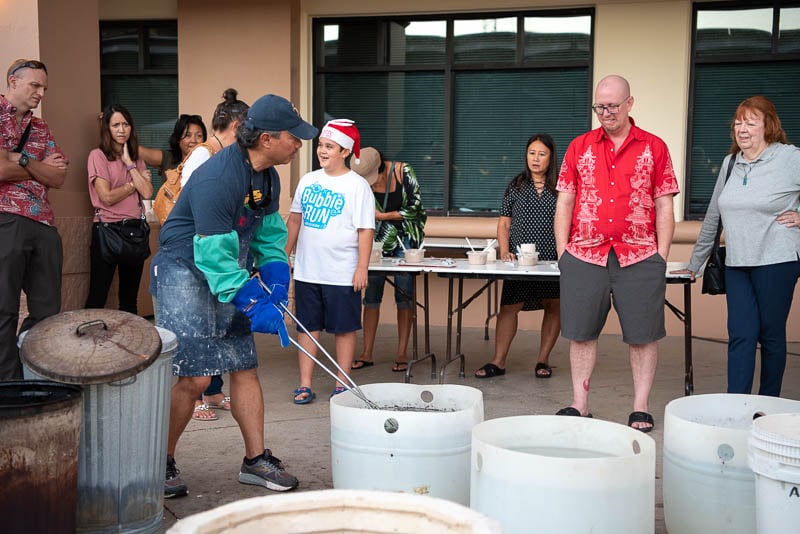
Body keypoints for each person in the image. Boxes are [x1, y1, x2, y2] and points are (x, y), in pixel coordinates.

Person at [150, 93, 317, 497]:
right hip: (184, 269)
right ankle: (158, 463)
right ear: (267, 139)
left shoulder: (268, 176)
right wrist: (250, 299)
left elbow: (270, 232)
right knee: (195, 376)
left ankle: (255, 461)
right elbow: (210, 253)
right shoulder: (217, 177)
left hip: (229, 267)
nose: (300, 144)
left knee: (244, 366)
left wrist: (277, 278)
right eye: (293, 137)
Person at [554, 75, 679, 432]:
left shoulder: (654, 147)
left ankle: (640, 407)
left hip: (640, 256)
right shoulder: (579, 146)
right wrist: (564, 253)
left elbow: (664, 206)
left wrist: (661, 256)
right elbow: (565, 201)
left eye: (611, 106)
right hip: (584, 255)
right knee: (581, 334)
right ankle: (580, 403)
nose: (605, 113)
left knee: (643, 336)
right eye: (599, 107)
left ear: (629, 103)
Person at [672, 96, 800, 397]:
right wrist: (696, 263)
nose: (742, 129)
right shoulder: (732, 163)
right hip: (738, 263)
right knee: (741, 334)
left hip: (777, 260)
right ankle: (737, 403)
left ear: (768, 126)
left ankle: (768, 403)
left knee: (770, 336)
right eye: (738, 122)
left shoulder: (789, 158)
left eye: (750, 122)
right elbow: (714, 218)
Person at [285, 119, 375, 404]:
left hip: (341, 272)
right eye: (321, 146)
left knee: (344, 328)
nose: (322, 151)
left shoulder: (358, 186)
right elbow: (295, 220)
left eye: (329, 146)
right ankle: (304, 383)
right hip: (308, 270)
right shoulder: (308, 180)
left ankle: (342, 381)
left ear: (345, 151)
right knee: (307, 327)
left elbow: (365, 230)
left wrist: (362, 267)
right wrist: (281, 256)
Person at [179, 89, 250, 422]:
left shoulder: (230, 157)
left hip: (219, 251)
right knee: (201, 328)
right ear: (236, 126)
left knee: (220, 324)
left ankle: (214, 390)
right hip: (197, 253)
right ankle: (194, 397)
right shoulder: (204, 156)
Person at [0, 59, 68, 380]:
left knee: (47, 312)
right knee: (4, 309)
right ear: (13, 82)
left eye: (44, 88)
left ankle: (26, 370)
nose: (40, 94)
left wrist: (20, 158)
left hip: (44, 224)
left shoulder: (40, 127)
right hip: (6, 219)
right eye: (34, 86)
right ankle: (9, 386)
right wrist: (37, 166)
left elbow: (57, 178)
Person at [475, 133, 561, 379]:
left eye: (542, 154)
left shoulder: (561, 188)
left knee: (553, 306)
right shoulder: (516, 185)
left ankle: (543, 360)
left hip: (551, 259)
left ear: (551, 157)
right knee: (509, 308)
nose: (536, 159)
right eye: (532, 153)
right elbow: (504, 224)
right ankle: (498, 361)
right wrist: (504, 251)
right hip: (520, 261)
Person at [350, 147, 426, 373]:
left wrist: (382, 216)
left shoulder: (403, 172)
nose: (370, 184)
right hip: (374, 243)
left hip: (405, 242)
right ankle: (367, 352)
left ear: (381, 168)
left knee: (404, 295)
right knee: (371, 296)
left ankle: (402, 352)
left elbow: (415, 208)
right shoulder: (359, 182)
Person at [85, 104, 154, 314]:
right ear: (107, 128)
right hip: (107, 231)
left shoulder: (136, 159)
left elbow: (149, 192)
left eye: (125, 124)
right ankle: (87, 345)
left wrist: (129, 164)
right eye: (116, 125)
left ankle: (130, 346)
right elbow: (106, 197)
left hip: (134, 232)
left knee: (129, 300)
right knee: (98, 295)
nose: (121, 130)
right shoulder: (97, 156)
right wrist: (134, 184)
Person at [139, 113, 207, 178]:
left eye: (199, 136)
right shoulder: (168, 158)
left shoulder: (209, 162)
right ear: (178, 139)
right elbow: (138, 151)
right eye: (187, 135)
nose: (194, 140)